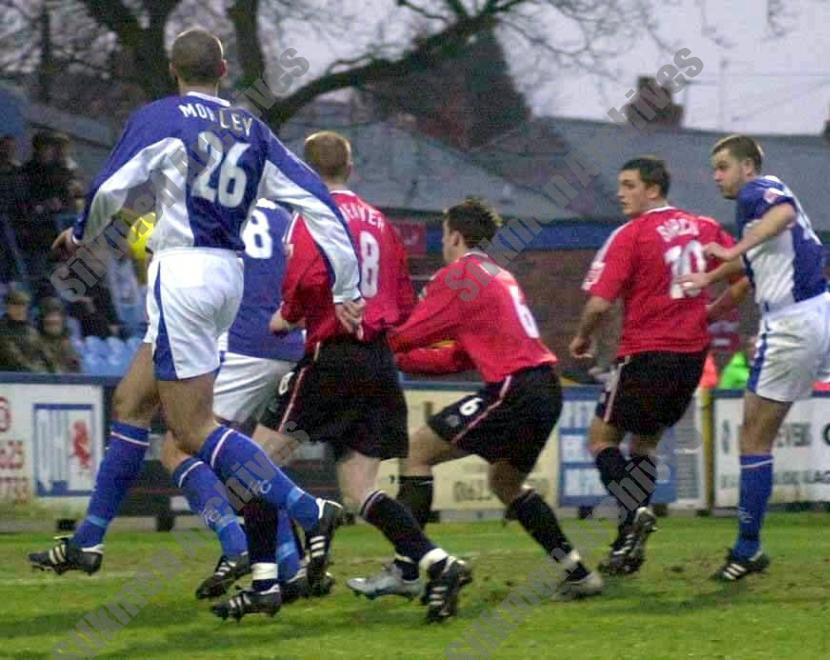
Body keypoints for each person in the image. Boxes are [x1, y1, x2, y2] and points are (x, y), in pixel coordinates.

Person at [28, 29, 362, 586]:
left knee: (191, 430)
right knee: (132, 404)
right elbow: (318, 201)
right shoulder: (253, 130)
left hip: (182, 270)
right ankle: (87, 541)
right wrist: (347, 286)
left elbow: (112, 183)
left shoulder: (163, 116)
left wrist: (82, 232)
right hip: (225, 277)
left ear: (173, 70)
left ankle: (306, 507)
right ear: (225, 69)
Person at [212, 130, 467, 624]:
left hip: (331, 358)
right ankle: (439, 563)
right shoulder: (382, 223)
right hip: (377, 362)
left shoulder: (311, 214)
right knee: (361, 492)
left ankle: (267, 581)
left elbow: (307, 278)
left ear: (303, 172)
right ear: (351, 168)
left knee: (250, 469)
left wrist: (287, 315)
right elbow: (404, 299)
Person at [349, 197, 604, 603]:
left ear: (454, 235)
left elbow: (409, 333)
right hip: (543, 388)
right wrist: (402, 355)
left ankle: (407, 568)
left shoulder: (460, 275)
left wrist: (369, 342)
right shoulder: (498, 275)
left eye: (444, 234)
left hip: (514, 388)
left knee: (415, 450)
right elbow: (456, 356)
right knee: (506, 482)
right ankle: (577, 573)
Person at [677, 134, 830, 581]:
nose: (716, 175)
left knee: (753, 441)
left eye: (723, 166)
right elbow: (756, 258)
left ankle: (747, 550)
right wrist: (712, 282)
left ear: (747, 167)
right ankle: (747, 549)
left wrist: (733, 250)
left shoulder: (759, 192)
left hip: (794, 324)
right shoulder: (758, 206)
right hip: (826, 311)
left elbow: (782, 216)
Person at [567, 156, 739, 576]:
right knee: (644, 444)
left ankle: (634, 510)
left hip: (645, 353)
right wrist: (711, 315)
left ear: (653, 190)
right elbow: (742, 275)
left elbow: (600, 303)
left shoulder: (631, 234)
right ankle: (629, 547)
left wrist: (583, 336)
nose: (621, 193)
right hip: (691, 356)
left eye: (629, 185)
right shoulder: (704, 226)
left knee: (601, 440)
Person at [156, 199, 308, 602]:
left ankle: (233, 543)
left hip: (244, 346)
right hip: (294, 345)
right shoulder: (287, 217)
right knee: (254, 464)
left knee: (178, 445)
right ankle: (291, 571)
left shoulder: (215, 207)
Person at [0, 289, 52, 372]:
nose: (20, 309)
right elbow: (15, 359)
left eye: (23, 305)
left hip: (34, 376)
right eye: (15, 305)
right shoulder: (3, 329)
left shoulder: (32, 330)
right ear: (7, 307)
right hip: (10, 378)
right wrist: (38, 372)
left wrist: (52, 372)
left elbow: (45, 355)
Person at [35, 297, 81, 373]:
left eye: (56, 316)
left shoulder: (68, 345)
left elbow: (76, 371)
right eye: (49, 316)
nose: (53, 319)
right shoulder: (35, 342)